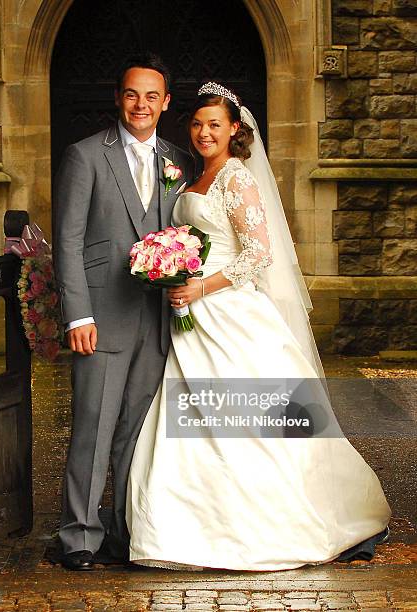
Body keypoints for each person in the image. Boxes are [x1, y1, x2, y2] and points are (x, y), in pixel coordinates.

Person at [125, 82, 391, 571]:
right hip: (191, 317)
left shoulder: (237, 178)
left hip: (229, 312)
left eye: (215, 125)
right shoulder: (193, 176)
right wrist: (170, 267)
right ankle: (188, 527)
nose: (205, 132)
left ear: (234, 131)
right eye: (198, 123)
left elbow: (258, 253)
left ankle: (273, 524)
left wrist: (201, 288)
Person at [53, 53, 193, 571]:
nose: (141, 105)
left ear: (166, 103)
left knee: (136, 433)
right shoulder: (85, 155)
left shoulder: (178, 161)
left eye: (152, 96)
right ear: (118, 98)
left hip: (156, 322)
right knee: (93, 427)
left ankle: (125, 529)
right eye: (132, 94)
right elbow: (67, 242)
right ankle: (79, 537)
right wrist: (77, 316)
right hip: (101, 318)